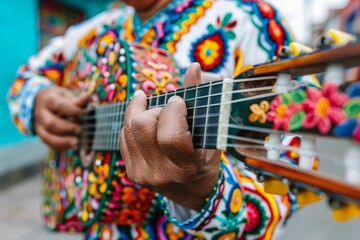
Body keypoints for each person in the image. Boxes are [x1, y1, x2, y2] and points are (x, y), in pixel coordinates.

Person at [8, 0, 300, 239]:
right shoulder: (92, 32)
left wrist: (202, 195)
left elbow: (286, 184)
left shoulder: (247, 19)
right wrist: (36, 102)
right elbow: (24, 80)